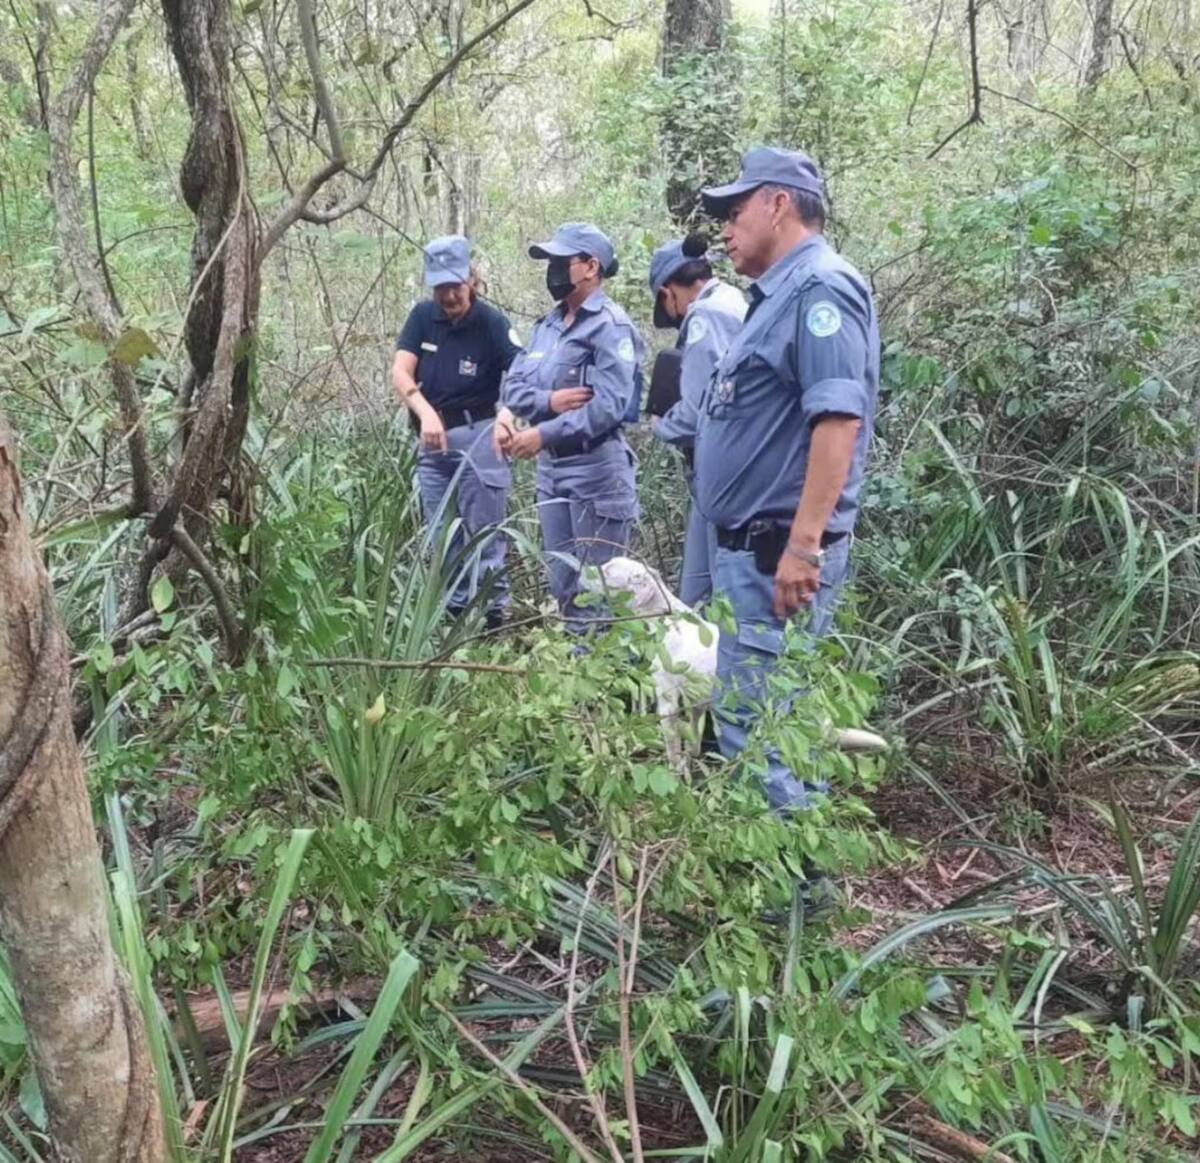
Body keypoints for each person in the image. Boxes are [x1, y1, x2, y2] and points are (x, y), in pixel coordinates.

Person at [694, 146, 880, 817]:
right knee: (775, 719)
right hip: (751, 554)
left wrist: (803, 546)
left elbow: (838, 420)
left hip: (777, 556)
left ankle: (785, 911)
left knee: (761, 729)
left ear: (779, 203)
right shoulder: (775, 298)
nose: (725, 226)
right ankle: (799, 894)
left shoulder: (820, 289)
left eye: (735, 210)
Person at [495, 223, 644, 628]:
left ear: (590, 266)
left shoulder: (610, 326)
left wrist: (543, 432)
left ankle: (603, 689)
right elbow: (515, 388)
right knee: (563, 588)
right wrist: (549, 402)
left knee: (598, 594)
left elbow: (609, 406)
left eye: (562, 261)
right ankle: (575, 684)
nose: (553, 270)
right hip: (552, 473)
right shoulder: (547, 326)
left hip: (597, 472)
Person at [393, 235, 522, 628]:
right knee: (443, 537)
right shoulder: (422, 317)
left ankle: (494, 620)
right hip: (432, 446)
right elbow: (401, 371)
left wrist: (508, 413)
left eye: (455, 286)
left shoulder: (492, 323)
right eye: (440, 287)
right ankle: (455, 615)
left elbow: (522, 369)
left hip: (478, 436)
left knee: (484, 535)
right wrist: (425, 413)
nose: (448, 296)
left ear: (472, 279)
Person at [648, 233, 747, 607]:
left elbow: (699, 412)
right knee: (701, 593)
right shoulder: (735, 300)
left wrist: (661, 427)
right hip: (735, 469)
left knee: (706, 598)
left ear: (668, 291)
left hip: (720, 472)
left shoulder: (706, 315)